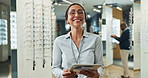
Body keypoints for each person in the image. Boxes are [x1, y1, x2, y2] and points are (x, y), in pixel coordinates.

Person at [52, 3, 104, 78]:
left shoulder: (96, 39)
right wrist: (62, 74)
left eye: (80, 12)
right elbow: (55, 67)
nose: (76, 15)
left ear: (84, 19)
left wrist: (97, 74)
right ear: (67, 19)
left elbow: (100, 65)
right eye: (72, 13)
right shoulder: (59, 41)